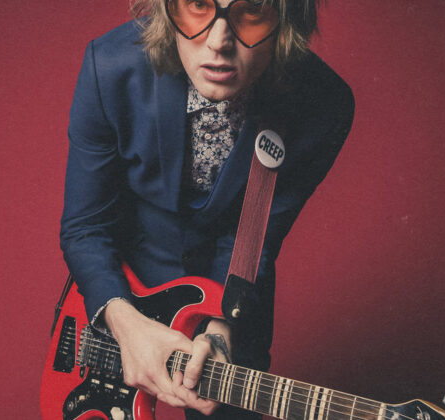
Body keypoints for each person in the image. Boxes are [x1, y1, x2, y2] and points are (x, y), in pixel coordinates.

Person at [59, 0, 354, 418]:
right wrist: (124, 323)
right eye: (198, 4)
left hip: (236, 290)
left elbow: (256, 235)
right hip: (122, 290)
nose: (218, 42)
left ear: (288, 19)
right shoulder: (109, 67)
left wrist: (221, 330)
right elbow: (84, 227)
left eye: (251, 11)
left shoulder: (324, 103)